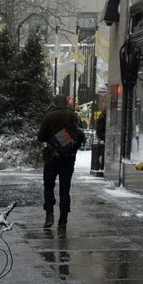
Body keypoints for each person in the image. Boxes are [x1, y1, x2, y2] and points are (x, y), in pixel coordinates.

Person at [37, 95, 86, 234]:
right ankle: (63, 222)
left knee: (48, 186)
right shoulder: (73, 116)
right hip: (68, 159)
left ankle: (49, 214)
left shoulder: (49, 116)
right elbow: (80, 135)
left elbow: (41, 137)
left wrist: (53, 139)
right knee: (65, 190)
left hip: (52, 157)